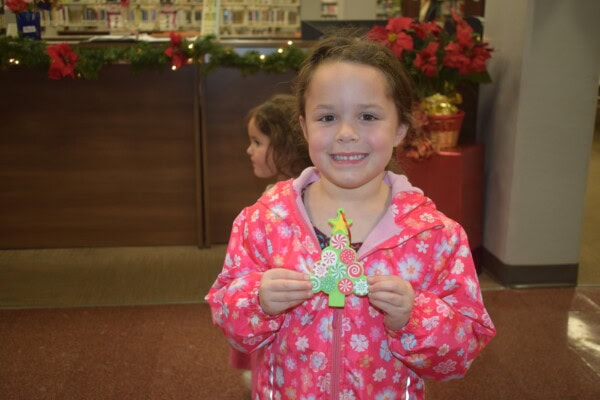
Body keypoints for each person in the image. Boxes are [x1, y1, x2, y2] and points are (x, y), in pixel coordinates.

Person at [207, 32, 496, 399]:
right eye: (327, 117)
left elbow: (459, 355)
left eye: (368, 116)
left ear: (401, 129)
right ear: (304, 126)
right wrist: (256, 300)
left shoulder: (436, 237)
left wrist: (414, 315)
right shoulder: (262, 222)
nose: (346, 133)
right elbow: (229, 320)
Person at [229, 92, 313, 390]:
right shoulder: (272, 198)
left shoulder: (289, 200)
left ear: (284, 146)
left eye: (257, 142)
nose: (249, 150)